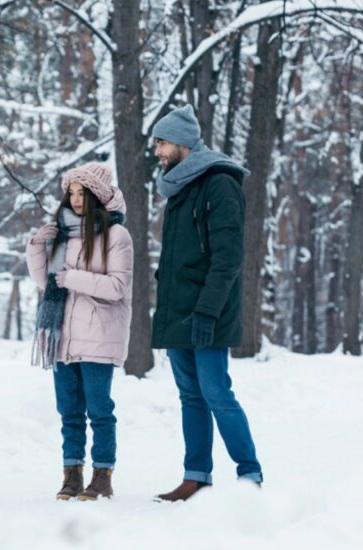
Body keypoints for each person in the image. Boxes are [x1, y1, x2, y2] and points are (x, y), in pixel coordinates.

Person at [149, 104, 263, 502]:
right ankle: (196, 476)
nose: (157, 151)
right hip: (178, 310)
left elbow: (228, 257)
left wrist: (207, 310)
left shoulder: (219, 182)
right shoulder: (181, 188)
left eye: (161, 142)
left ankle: (250, 474)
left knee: (216, 392)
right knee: (190, 396)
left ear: (181, 142)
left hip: (208, 311)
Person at [26, 163, 134, 501]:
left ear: (96, 196)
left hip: (99, 334)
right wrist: (35, 248)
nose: (74, 200)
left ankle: (102, 475)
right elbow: (47, 284)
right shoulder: (63, 233)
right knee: (69, 411)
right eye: (70, 193)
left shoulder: (117, 235)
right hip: (62, 337)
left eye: (80, 193)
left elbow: (118, 286)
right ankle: (71, 474)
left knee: (99, 410)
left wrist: (72, 277)